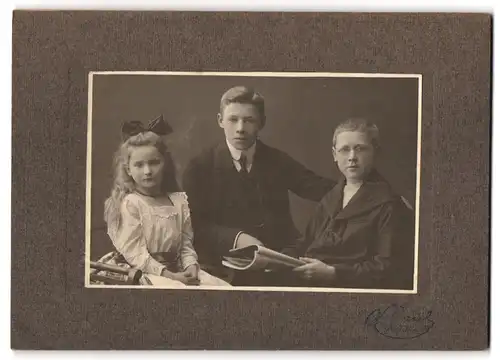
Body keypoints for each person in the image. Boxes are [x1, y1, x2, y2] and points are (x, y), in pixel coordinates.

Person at [182, 86, 335, 285]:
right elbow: (194, 225)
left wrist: (365, 189)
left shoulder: (277, 160)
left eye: (249, 120)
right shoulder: (200, 167)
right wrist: (237, 238)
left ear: (261, 123)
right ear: (220, 120)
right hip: (221, 264)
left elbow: (321, 189)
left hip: (279, 261)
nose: (240, 128)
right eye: (233, 119)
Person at [95, 115, 230, 287]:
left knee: (220, 287)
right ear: (128, 169)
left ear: (164, 164)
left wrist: (191, 266)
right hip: (142, 271)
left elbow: (185, 245)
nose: (147, 171)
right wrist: (172, 277)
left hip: (177, 269)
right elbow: (135, 254)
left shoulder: (178, 200)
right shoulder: (131, 203)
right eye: (139, 165)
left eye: (154, 163)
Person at [285, 118, 415, 290]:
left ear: (375, 151)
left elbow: (388, 267)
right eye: (345, 150)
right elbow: (306, 241)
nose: (352, 157)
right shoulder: (330, 198)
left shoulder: (390, 204)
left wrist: (333, 273)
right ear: (334, 155)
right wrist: (279, 258)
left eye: (360, 149)